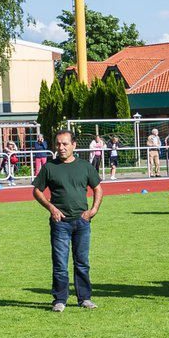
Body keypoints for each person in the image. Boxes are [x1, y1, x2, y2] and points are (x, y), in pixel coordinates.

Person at [32, 130, 103, 313]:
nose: (61, 148)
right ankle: (60, 299)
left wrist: (93, 210)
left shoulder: (85, 166)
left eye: (64, 144)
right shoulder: (50, 167)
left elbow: (98, 188)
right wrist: (51, 208)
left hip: (82, 222)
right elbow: (37, 191)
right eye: (58, 144)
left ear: (74, 145)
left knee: (82, 262)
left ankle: (84, 298)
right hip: (60, 223)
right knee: (60, 263)